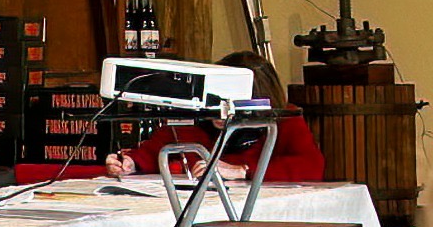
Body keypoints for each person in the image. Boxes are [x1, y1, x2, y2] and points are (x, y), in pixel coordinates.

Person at [104, 52, 323, 182]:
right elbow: (155, 150)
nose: (219, 108)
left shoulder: (284, 121)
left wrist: (242, 171)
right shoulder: (196, 122)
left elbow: (311, 166)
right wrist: (132, 163)